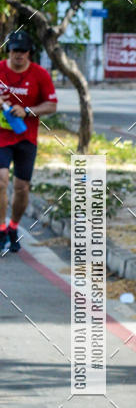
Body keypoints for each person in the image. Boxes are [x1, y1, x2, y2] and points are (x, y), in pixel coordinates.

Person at [0, 30, 57, 253]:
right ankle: (1, 229)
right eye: (15, 50)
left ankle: (13, 227)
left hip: (26, 138)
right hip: (1, 137)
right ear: (9, 51)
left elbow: (52, 105)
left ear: (29, 52)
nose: (19, 55)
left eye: (23, 51)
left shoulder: (40, 74)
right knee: (1, 180)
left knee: (22, 187)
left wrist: (27, 111)